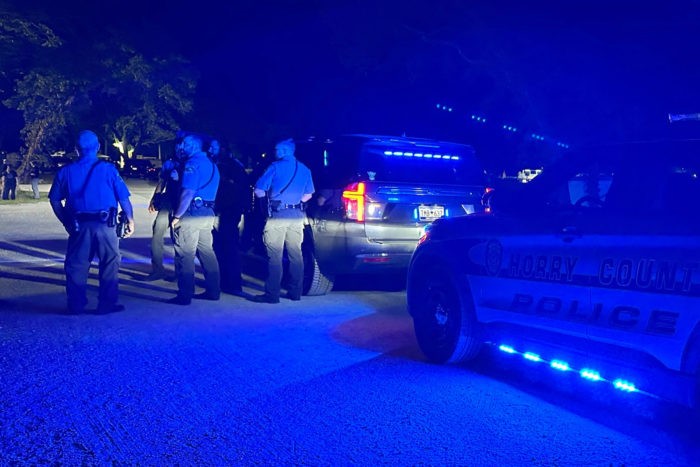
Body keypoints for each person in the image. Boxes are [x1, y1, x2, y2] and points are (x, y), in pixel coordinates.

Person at [48, 130, 135, 314]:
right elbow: (123, 198)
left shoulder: (65, 172)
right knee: (109, 263)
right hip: (106, 224)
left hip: (79, 225)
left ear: (76, 149)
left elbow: (55, 200)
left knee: (76, 265)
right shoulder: (109, 169)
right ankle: (106, 304)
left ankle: (76, 305)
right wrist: (130, 219)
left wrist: (66, 221)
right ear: (97, 147)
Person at [250, 138, 314, 303]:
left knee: (275, 256)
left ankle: (272, 294)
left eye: (277, 149)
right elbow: (308, 195)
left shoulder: (275, 167)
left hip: (278, 216)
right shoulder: (304, 169)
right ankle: (295, 292)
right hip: (297, 216)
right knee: (296, 255)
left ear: (285, 150)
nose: (275, 152)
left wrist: (266, 207)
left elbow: (258, 190)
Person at [166, 134, 221, 305]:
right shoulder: (212, 164)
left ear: (194, 146)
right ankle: (214, 290)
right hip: (207, 212)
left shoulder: (192, 163)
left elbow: (188, 192)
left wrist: (177, 216)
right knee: (207, 252)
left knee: (185, 254)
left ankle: (185, 294)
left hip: (191, 213)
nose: (182, 147)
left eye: (186, 144)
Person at [211, 140, 250, 296]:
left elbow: (236, 191)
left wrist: (219, 209)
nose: (211, 150)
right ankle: (226, 280)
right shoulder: (225, 165)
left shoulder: (231, 166)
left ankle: (232, 282)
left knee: (228, 247)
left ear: (224, 149)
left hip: (228, 211)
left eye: (214, 148)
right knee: (222, 246)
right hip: (227, 210)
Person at [142, 155, 180, 281]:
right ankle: (158, 270)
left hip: (181, 204)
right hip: (168, 202)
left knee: (179, 238)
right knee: (157, 234)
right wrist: (154, 199)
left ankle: (180, 273)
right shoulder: (169, 163)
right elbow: (161, 182)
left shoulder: (190, 163)